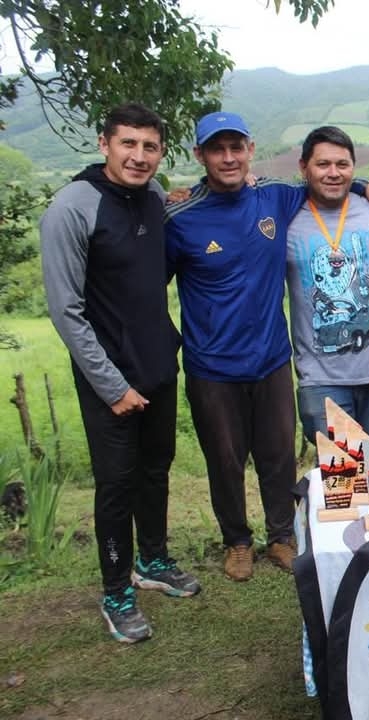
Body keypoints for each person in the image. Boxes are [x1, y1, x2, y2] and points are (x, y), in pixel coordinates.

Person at [165, 111, 369, 582]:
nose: (228, 158)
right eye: (217, 149)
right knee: (224, 459)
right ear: (200, 155)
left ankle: (282, 536)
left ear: (250, 150)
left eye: (236, 147)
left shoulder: (275, 197)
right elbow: (148, 285)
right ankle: (237, 541)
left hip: (271, 358)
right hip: (211, 365)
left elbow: (328, 181)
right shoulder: (180, 218)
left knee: (278, 455)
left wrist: (366, 184)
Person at [41, 103, 199, 643]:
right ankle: (115, 591)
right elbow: (65, 310)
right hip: (107, 379)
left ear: (161, 152)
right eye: (128, 143)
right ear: (104, 143)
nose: (138, 155)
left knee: (156, 470)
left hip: (157, 365)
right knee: (116, 485)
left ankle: (152, 561)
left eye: (149, 146)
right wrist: (112, 386)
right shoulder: (72, 208)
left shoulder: (152, 196)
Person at [286, 126, 369, 445]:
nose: (333, 173)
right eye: (323, 164)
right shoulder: (287, 220)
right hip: (321, 379)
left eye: (342, 164)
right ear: (304, 167)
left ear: (354, 167)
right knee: (339, 476)